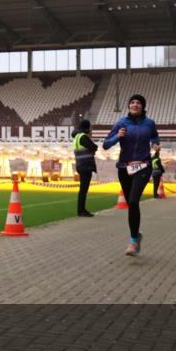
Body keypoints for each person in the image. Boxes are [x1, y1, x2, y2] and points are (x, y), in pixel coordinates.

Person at [103, 94, 159, 257]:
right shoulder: (122, 123)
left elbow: (155, 136)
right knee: (131, 204)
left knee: (134, 201)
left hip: (143, 166)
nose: (135, 105)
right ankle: (137, 234)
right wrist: (117, 136)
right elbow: (106, 144)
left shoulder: (149, 123)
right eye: (132, 102)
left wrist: (155, 144)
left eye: (138, 103)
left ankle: (133, 241)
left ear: (143, 106)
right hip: (124, 167)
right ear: (129, 106)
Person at [72, 119, 97, 216]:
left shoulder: (77, 137)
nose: (91, 129)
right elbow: (94, 147)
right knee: (83, 189)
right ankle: (81, 211)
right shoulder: (83, 137)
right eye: (90, 127)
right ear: (86, 127)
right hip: (86, 165)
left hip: (80, 165)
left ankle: (81, 210)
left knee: (83, 189)